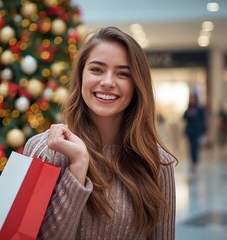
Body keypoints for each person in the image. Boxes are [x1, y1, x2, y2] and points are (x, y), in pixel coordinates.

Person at [24, 27, 177, 240]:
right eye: (97, 69)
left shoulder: (157, 162)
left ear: (136, 85)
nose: (107, 81)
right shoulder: (45, 150)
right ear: (81, 75)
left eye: (123, 73)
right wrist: (78, 164)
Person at [183, 94, 206, 173]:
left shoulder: (199, 109)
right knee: (190, 148)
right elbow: (184, 118)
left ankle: (195, 162)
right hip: (190, 131)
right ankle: (192, 162)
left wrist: (204, 130)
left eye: (193, 98)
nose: (192, 100)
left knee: (195, 147)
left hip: (196, 131)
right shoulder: (188, 109)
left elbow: (202, 120)